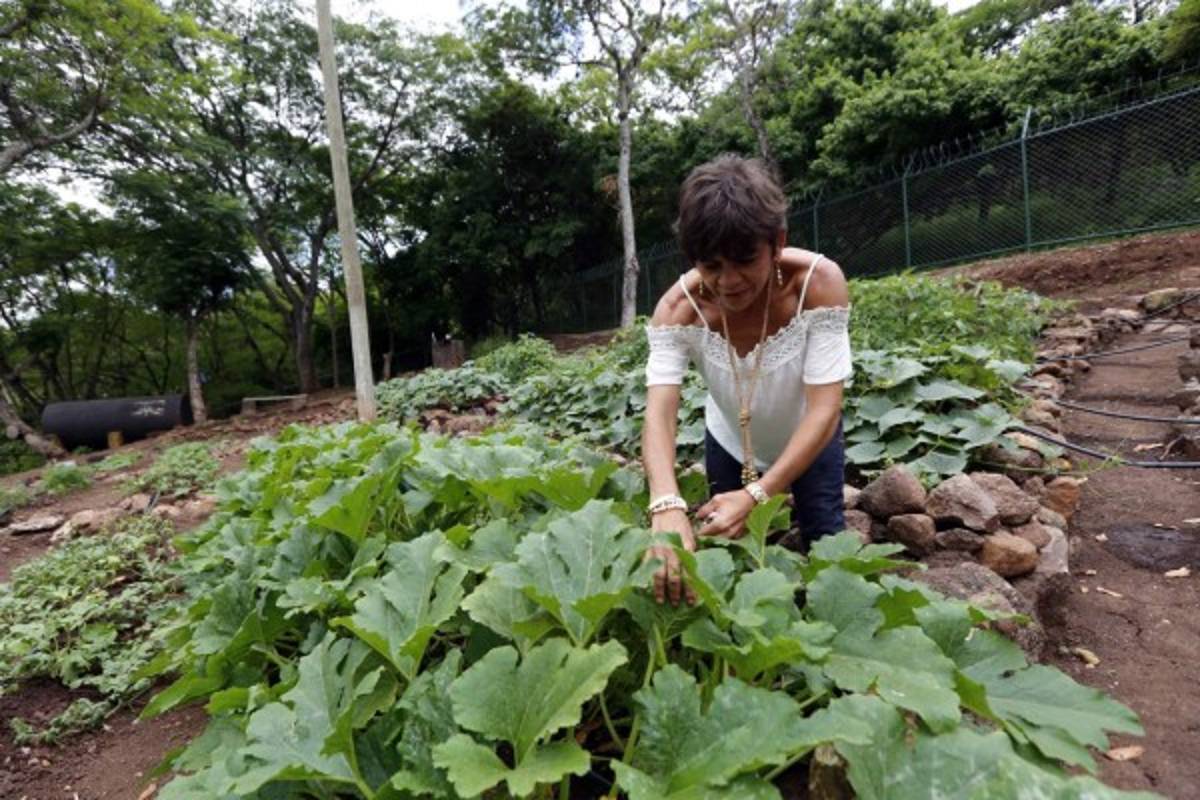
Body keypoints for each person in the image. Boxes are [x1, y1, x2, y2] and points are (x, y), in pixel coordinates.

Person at [642, 154, 853, 606]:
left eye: (744, 260)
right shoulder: (678, 311)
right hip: (729, 440)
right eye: (710, 265)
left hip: (810, 437)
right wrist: (665, 504)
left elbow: (824, 407)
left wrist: (758, 493)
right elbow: (659, 413)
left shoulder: (817, 284)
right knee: (725, 552)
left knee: (826, 541)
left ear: (777, 242)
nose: (729, 280)